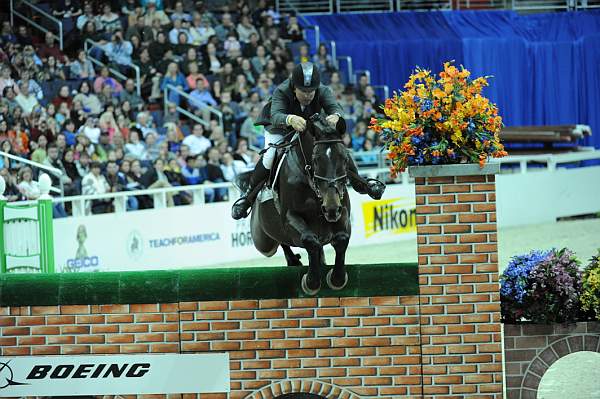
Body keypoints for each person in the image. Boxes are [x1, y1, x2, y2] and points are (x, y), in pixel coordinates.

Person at [231, 62, 386, 220]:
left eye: (311, 91)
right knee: (270, 155)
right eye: (303, 91)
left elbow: (336, 107)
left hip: (307, 126)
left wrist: (336, 116)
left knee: (335, 148)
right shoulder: (282, 91)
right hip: (279, 127)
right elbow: (276, 115)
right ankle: (247, 197)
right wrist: (290, 118)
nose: (308, 95)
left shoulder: (323, 90)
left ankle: (363, 184)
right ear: (294, 87)